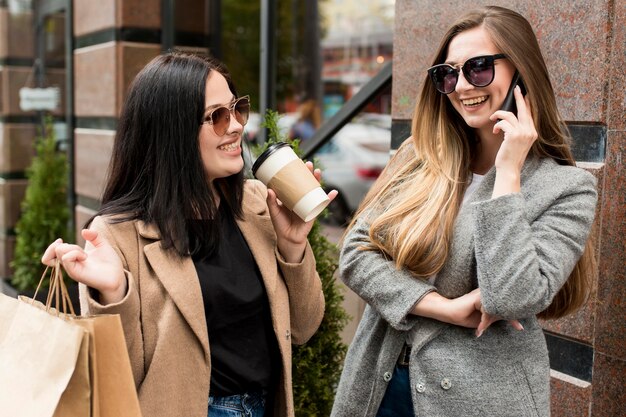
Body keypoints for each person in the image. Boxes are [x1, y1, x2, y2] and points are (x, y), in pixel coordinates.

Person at [331, 6, 597, 417]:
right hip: (379, 384)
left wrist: (508, 173)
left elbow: (512, 296)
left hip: (479, 399)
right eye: (448, 73)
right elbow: (355, 253)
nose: (460, 86)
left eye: (478, 68)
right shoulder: (418, 157)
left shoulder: (566, 188)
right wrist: (443, 307)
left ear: (521, 72)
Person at [42, 51, 337, 417]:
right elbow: (120, 377)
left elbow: (305, 328)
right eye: (216, 116)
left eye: (236, 108)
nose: (236, 126)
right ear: (172, 131)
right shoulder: (116, 233)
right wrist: (114, 292)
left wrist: (293, 246)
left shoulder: (258, 204)